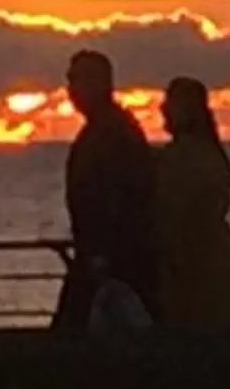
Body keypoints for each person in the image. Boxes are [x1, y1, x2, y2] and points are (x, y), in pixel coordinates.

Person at [52, 48, 159, 330]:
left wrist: (102, 254)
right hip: (102, 256)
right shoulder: (111, 130)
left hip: (108, 260)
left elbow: (120, 196)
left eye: (77, 80)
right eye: (70, 80)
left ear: (98, 83)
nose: (70, 90)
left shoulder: (111, 134)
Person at [154, 76, 230, 327]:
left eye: (170, 103)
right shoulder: (209, 154)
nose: (162, 109)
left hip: (196, 268)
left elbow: (172, 211)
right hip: (212, 263)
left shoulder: (184, 158)